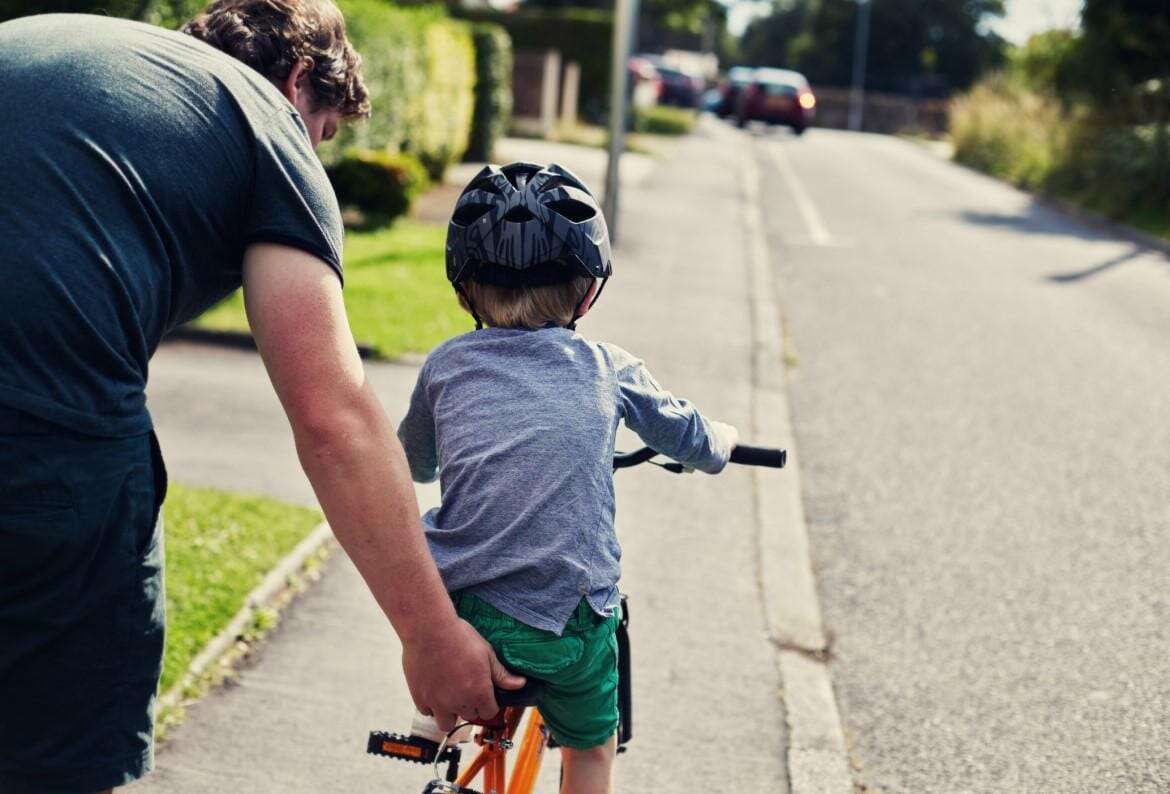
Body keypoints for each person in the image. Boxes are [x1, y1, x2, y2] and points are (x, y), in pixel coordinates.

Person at [0, 3, 520, 791]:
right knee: (53, 749)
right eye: (326, 133)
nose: (317, 156)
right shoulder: (264, 125)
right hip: (38, 451)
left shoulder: (78, 49)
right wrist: (432, 636)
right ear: (302, 78)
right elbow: (332, 416)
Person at [397, 162, 739, 793]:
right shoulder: (607, 366)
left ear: (464, 287)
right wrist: (721, 442)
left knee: (440, 587)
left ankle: (434, 721)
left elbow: (413, 463)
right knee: (591, 744)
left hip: (466, 620)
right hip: (568, 630)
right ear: (588, 291)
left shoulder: (444, 367)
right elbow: (686, 434)